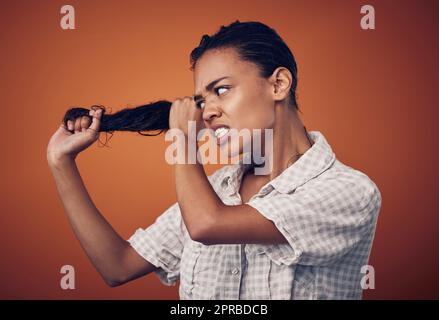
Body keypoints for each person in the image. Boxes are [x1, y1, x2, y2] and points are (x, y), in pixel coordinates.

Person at [46, 21, 381, 299]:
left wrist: (184, 141)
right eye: (200, 100)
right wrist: (61, 163)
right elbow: (117, 266)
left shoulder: (350, 192)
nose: (208, 112)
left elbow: (207, 225)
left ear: (278, 84)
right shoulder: (217, 189)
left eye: (221, 90)